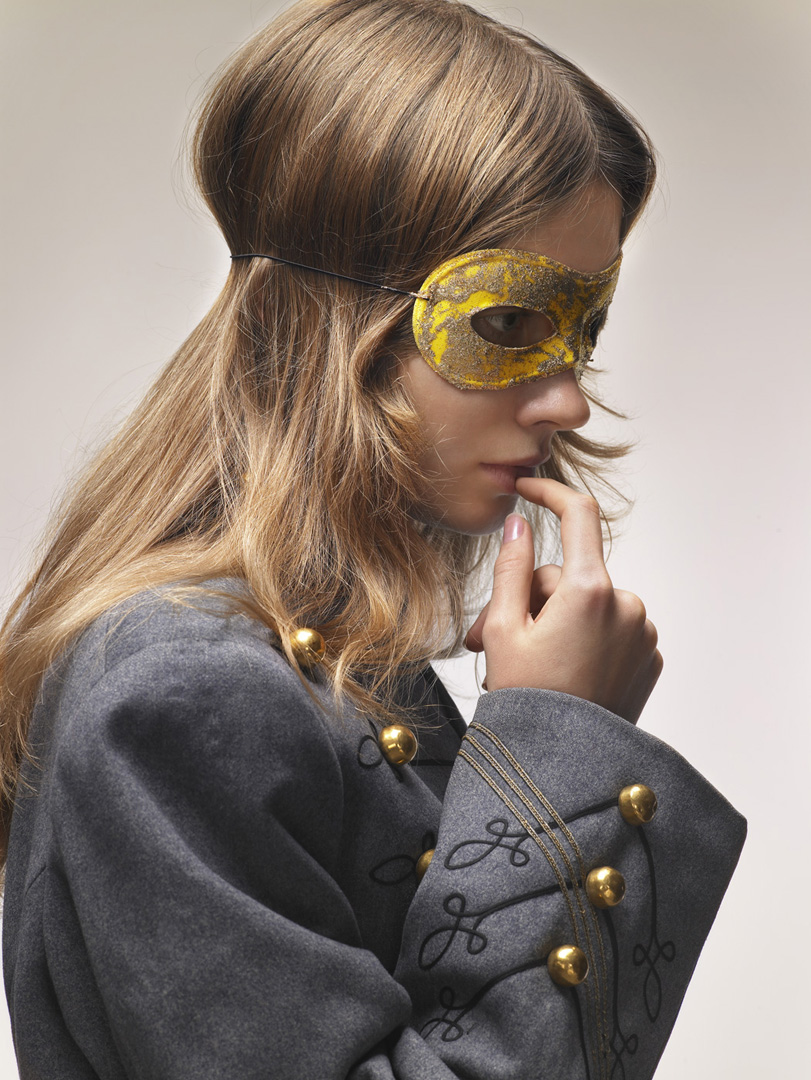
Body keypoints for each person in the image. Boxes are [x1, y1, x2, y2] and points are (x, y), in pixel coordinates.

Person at [0, 1, 745, 1077]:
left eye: (581, 328)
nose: (569, 400)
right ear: (328, 325)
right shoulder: (182, 694)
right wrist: (562, 738)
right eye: (507, 323)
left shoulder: (330, 661)